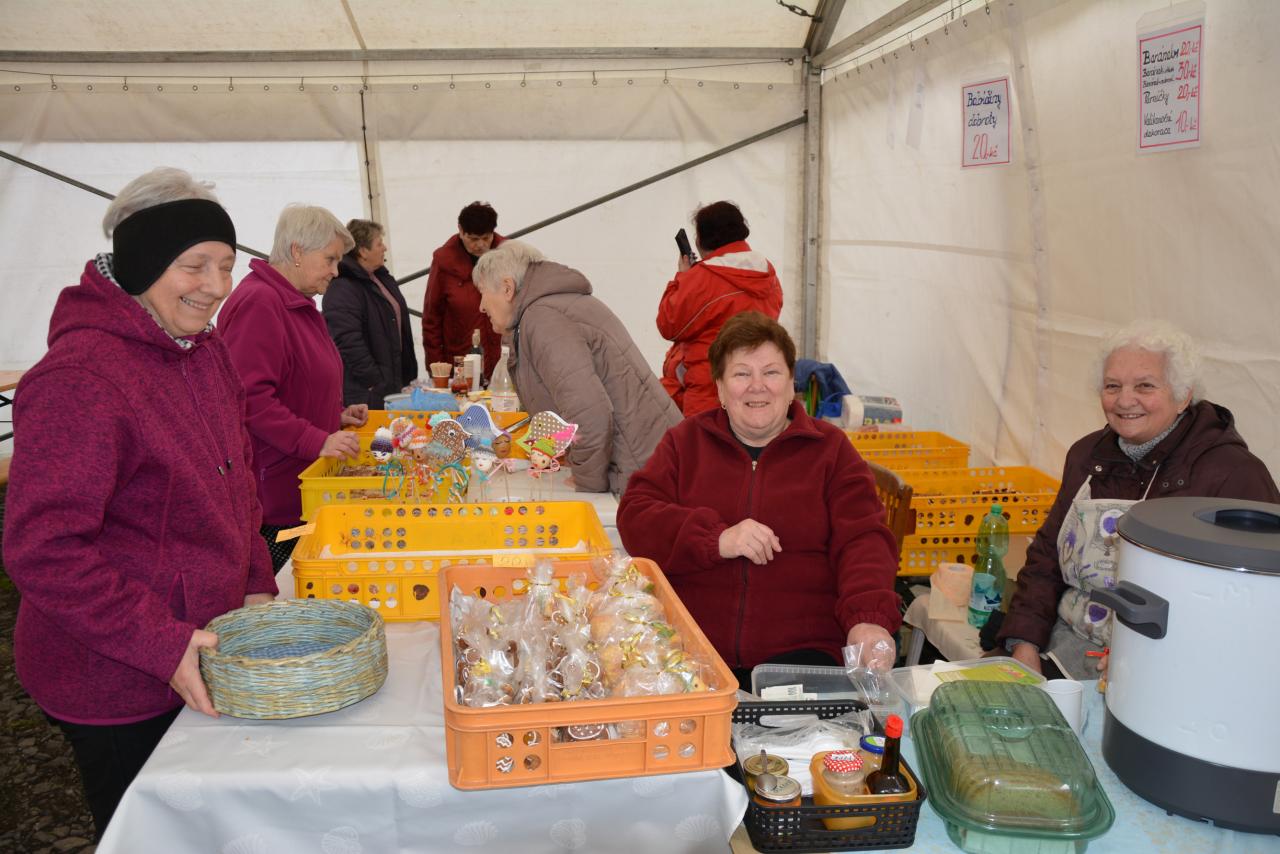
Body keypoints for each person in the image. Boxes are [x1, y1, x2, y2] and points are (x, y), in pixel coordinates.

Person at [2, 167, 279, 839]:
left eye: (226, 265)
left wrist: (254, 581)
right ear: (144, 263)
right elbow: (44, 549)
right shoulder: (80, 379)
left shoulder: (204, 351)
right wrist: (161, 640)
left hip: (201, 642)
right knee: (151, 831)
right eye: (194, 266)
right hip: (113, 676)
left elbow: (236, 478)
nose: (216, 286)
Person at [617, 312, 901, 686]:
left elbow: (864, 539)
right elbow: (635, 516)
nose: (757, 386)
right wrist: (716, 539)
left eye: (770, 372)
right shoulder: (686, 443)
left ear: (790, 384)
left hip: (803, 657)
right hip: (690, 653)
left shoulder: (831, 451)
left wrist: (867, 619)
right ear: (720, 389)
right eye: (741, 374)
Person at [996, 320, 1280, 678]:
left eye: (1145, 385)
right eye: (1112, 386)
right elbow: (1046, 558)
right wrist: (1024, 642)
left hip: (1175, 670)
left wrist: (1147, 658)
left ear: (1183, 396)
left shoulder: (1233, 473)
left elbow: (1252, 603)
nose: (1125, 400)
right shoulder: (1086, 456)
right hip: (1063, 645)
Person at [219, 205, 369, 569]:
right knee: (281, 585)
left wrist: (334, 414)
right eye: (330, 259)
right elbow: (250, 400)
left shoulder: (293, 302)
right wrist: (316, 439)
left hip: (297, 486)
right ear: (297, 251)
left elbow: (293, 383)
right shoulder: (260, 303)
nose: (336, 271)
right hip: (274, 499)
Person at [472, 240, 681, 494]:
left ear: (507, 288)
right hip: (650, 459)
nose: (481, 306)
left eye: (482, 292)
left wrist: (587, 481)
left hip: (643, 469)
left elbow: (589, 413)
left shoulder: (544, 320)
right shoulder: (549, 309)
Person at [659, 201, 783, 416]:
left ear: (701, 240)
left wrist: (683, 278)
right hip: (758, 388)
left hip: (710, 392)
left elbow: (669, 325)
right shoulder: (767, 272)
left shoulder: (702, 278)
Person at [322, 218, 418, 409]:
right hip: (366, 392)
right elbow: (347, 340)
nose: (385, 248)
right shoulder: (343, 287)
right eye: (379, 243)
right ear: (363, 251)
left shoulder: (381, 278)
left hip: (391, 382)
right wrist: (374, 380)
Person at [423, 201, 505, 380]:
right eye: (474, 239)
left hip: (503, 362)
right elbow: (432, 318)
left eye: (486, 238)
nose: (481, 245)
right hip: (460, 362)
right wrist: (437, 369)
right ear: (461, 231)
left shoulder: (509, 256)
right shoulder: (443, 261)